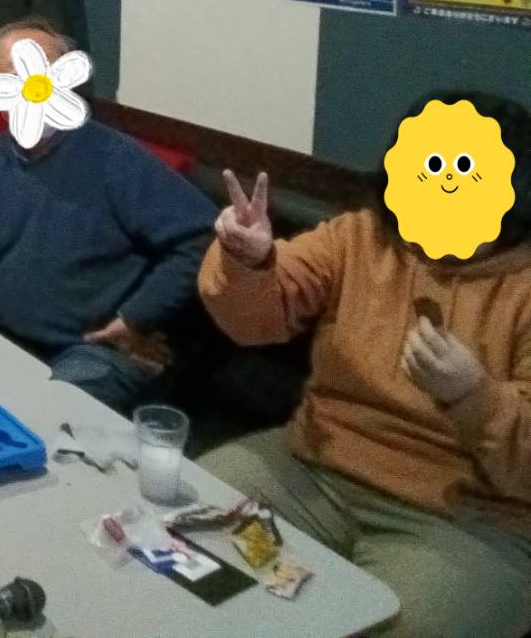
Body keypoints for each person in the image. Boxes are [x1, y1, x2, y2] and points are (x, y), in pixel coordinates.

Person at [197, 90, 531, 638]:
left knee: (411, 624)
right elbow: (257, 318)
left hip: (467, 518)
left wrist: (476, 396)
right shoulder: (359, 236)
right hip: (315, 468)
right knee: (192, 516)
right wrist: (248, 259)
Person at [0, 16, 215, 413]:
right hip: (6, 338)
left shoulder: (114, 157)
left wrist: (136, 318)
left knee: (42, 415)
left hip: (95, 352)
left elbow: (202, 234)